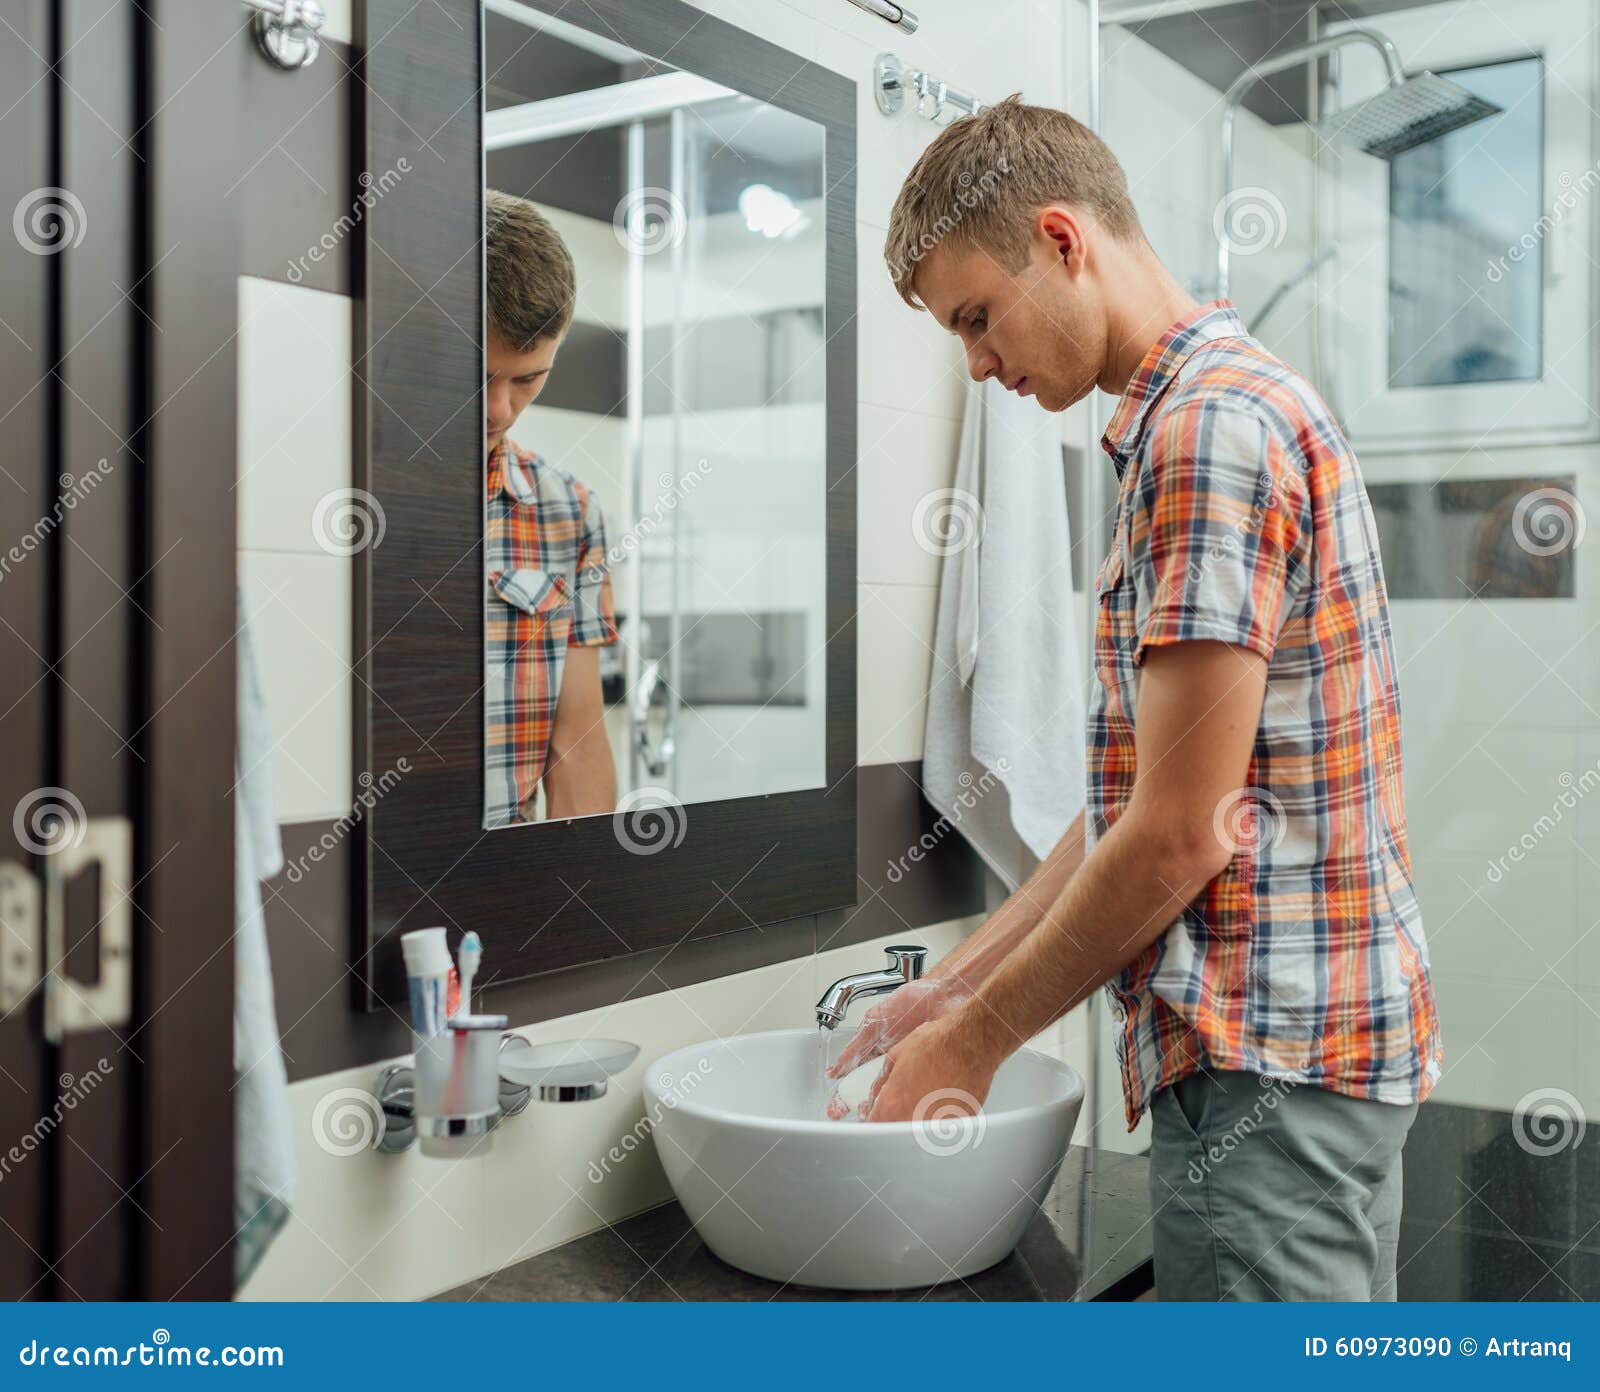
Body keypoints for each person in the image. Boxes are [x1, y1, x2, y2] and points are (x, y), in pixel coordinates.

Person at [833, 96, 1441, 1302]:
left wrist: (973, 1044)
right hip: (1317, 1055)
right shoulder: (1225, 404)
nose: (978, 363)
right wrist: (959, 984)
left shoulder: (1202, 433)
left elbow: (1175, 835)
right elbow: (1139, 807)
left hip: (1259, 1063)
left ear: (1061, 241)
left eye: (976, 316)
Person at [483, 189, 619, 827]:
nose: (499, 411)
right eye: (477, 375)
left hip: (504, 893)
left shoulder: (568, 513)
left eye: (527, 379)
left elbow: (579, 742)